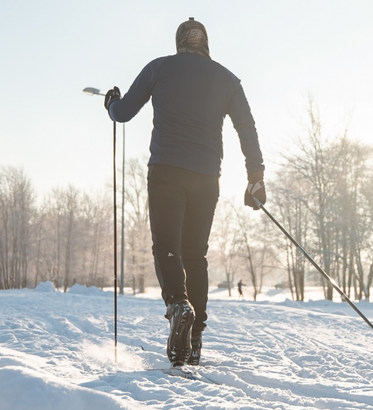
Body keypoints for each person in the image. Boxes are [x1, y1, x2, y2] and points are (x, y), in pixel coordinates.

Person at [103, 18, 266, 367]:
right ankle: (194, 341)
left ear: (179, 42)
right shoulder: (226, 79)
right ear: (206, 43)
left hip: (166, 171)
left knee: (167, 246)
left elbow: (124, 112)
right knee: (196, 255)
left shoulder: (159, 68)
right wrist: (256, 176)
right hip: (207, 176)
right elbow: (246, 128)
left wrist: (111, 103)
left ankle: (178, 304)